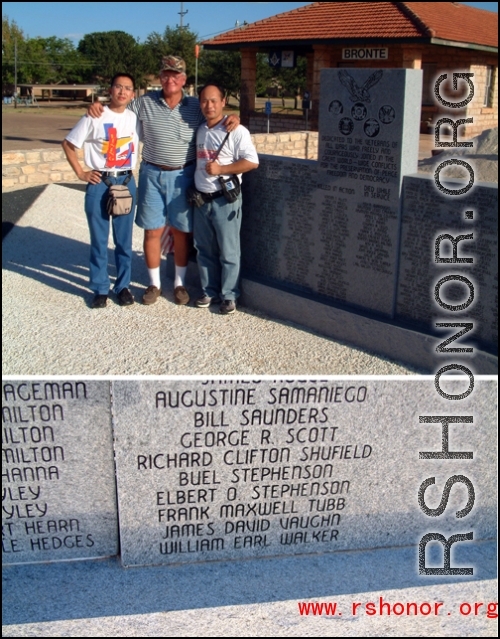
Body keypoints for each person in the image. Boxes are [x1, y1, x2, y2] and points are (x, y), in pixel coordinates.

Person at [88, 56, 239, 306]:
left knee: (181, 231)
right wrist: (97, 106)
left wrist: (233, 117)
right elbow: (119, 107)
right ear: (160, 78)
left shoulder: (195, 106)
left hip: (183, 175)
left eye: (176, 75)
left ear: (184, 80)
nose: (171, 79)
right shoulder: (144, 103)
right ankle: (154, 284)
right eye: (166, 75)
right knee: (153, 230)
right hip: (151, 174)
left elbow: (216, 119)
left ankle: (179, 284)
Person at [62, 73, 139, 308]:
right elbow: (68, 144)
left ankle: (123, 286)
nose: (122, 92)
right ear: (111, 89)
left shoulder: (135, 118)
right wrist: (80, 172)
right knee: (98, 239)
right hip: (100, 183)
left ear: (133, 94)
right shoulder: (94, 115)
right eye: (118, 87)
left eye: (127, 88)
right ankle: (99, 287)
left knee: (124, 241)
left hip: (125, 182)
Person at [191, 84, 259, 314]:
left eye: (213, 101)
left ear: (223, 101)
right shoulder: (200, 130)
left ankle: (229, 295)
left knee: (229, 251)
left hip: (224, 200)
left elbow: (252, 161)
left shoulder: (236, 131)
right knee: (204, 249)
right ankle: (209, 290)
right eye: (204, 101)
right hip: (201, 199)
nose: (208, 106)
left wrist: (221, 169)